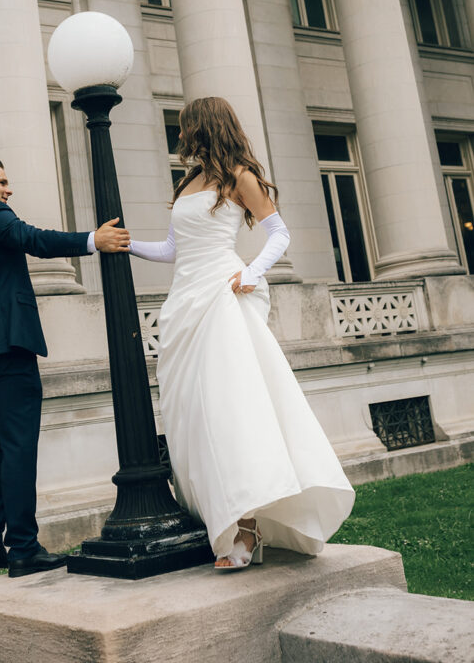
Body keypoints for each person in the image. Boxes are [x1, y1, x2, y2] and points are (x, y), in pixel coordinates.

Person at [129, 97, 355, 570]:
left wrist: (252, 272)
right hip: (185, 299)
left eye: (186, 125)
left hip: (222, 294)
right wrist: (128, 246)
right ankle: (219, 515)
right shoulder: (189, 180)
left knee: (228, 408)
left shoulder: (240, 176)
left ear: (204, 126)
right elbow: (174, 248)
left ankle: (248, 525)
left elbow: (280, 233)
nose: (181, 134)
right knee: (191, 410)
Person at [0, 157, 129, 578]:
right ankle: (23, 547)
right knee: (18, 444)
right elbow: (33, 240)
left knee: (0, 444)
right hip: (8, 345)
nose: (9, 190)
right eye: (2, 181)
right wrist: (92, 240)